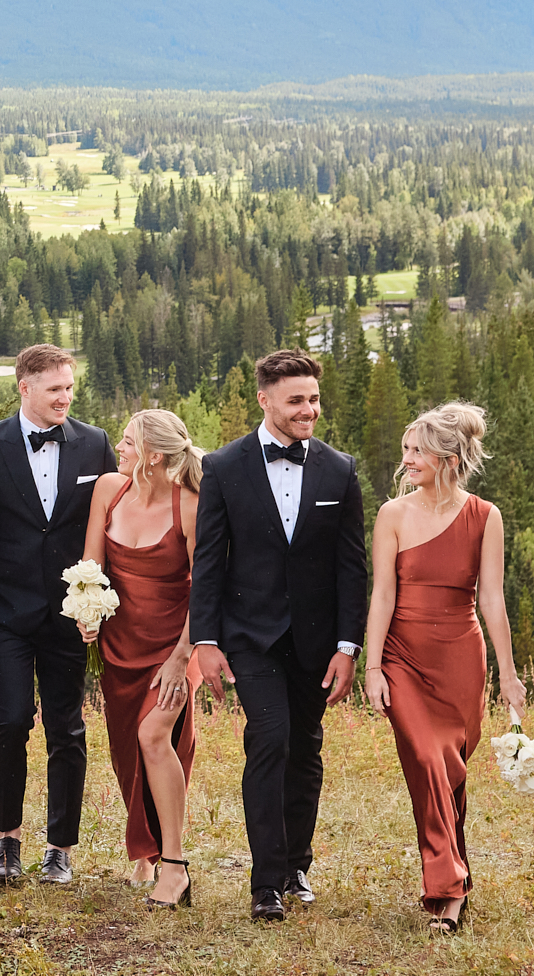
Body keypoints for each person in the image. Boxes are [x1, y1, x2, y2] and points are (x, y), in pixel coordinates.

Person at [188, 347, 368, 922]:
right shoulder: (222, 467)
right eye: (296, 401)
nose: (308, 410)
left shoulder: (340, 470)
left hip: (317, 642)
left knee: (305, 747)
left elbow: (351, 567)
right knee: (270, 738)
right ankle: (265, 882)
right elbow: (209, 561)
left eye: (313, 399)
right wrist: (205, 640)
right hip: (249, 635)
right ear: (264, 400)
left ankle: (295, 866)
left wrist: (348, 647)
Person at [0, 344, 118, 888]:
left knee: (67, 728)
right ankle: (7, 840)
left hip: (70, 616)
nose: (65, 398)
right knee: (12, 720)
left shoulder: (94, 445)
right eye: (54, 389)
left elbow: (109, 527)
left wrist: (98, 602)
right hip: (3, 612)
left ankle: (59, 848)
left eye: (70, 388)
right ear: (24, 388)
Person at [362, 402, 527, 932]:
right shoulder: (392, 515)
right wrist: (372, 666)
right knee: (429, 763)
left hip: (461, 656)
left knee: (450, 768)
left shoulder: (485, 516)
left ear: (449, 457)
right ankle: (447, 889)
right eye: (406, 449)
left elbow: (493, 602)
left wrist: (509, 673)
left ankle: (451, 868)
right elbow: (382, 595)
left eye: (418, 451)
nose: (406, 458)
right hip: (403, 657)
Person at [77, 409, 201, 909]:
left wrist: (181, 657)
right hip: (118, 648)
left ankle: (174, 867)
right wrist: (86, 611)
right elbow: (91, 565)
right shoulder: (110, 489)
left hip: (173, 646)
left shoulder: (189, 505)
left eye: (127, 443)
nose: (118, 451)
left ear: (152, 457)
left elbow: (206, 591)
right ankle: (145, 854)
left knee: (155, 736)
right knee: (127, 753)